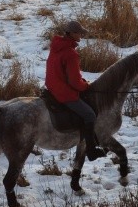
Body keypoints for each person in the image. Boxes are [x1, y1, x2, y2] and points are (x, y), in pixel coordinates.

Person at [45, 20, 106, 161]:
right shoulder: (71, 54)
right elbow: (74, 81)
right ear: (71, 34)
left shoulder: (56, 47)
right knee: (90, 114)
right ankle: (91, 150)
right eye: (79, 33)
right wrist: (86, 85)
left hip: (52, 88)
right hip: (63, 93)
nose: (81, 35)